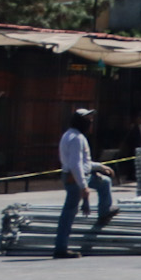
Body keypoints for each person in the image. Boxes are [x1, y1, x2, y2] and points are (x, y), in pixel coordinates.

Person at [51, 106, 114, 258]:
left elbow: (84, 163)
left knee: (104, 182)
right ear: (80, 121)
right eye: (88, 120)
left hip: (79, 176)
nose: (90, 123)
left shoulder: (71, 135)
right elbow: (75, 165)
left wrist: (100, 166)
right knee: (69, 212)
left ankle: (104, 212)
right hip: (76, 179)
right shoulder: (76, 139)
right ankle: (61, 248)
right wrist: (83, 187)